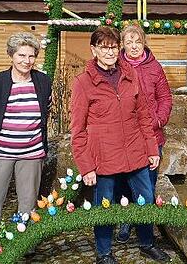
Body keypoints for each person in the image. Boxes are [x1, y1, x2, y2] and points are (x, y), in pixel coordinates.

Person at [70, 26, 171, 264]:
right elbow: (78, 130)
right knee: (104, 205)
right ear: (93, 50)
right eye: (104, 47)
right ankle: (104, 252)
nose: (110, 52)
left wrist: (151, 149)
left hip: (135, 151)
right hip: (104, 156)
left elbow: (143, 116)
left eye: (113, 47)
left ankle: (147, 243)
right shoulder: (83, 83)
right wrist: (86, 167)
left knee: (145, 198)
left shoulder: (129, 75)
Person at [0, 33, 52, 233]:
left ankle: (24, 242)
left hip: (32, 154)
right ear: (11, 55)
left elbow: (46, 109)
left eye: (31, 56)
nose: (27, 61)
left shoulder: (43, 82)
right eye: (21, 55)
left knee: (28, 203)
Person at [115, 23, 173, 244]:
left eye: (137, 41)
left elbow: (165, 98)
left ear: (144, 43)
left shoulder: (154, 67)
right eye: (129, 42)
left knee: (147, 183)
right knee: (124, 182)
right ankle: (126, 219)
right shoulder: (116, 67)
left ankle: (145, 229)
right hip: (125, 137)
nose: (134, 46)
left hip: (152, 135)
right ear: (123, 45)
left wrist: (159, 120)